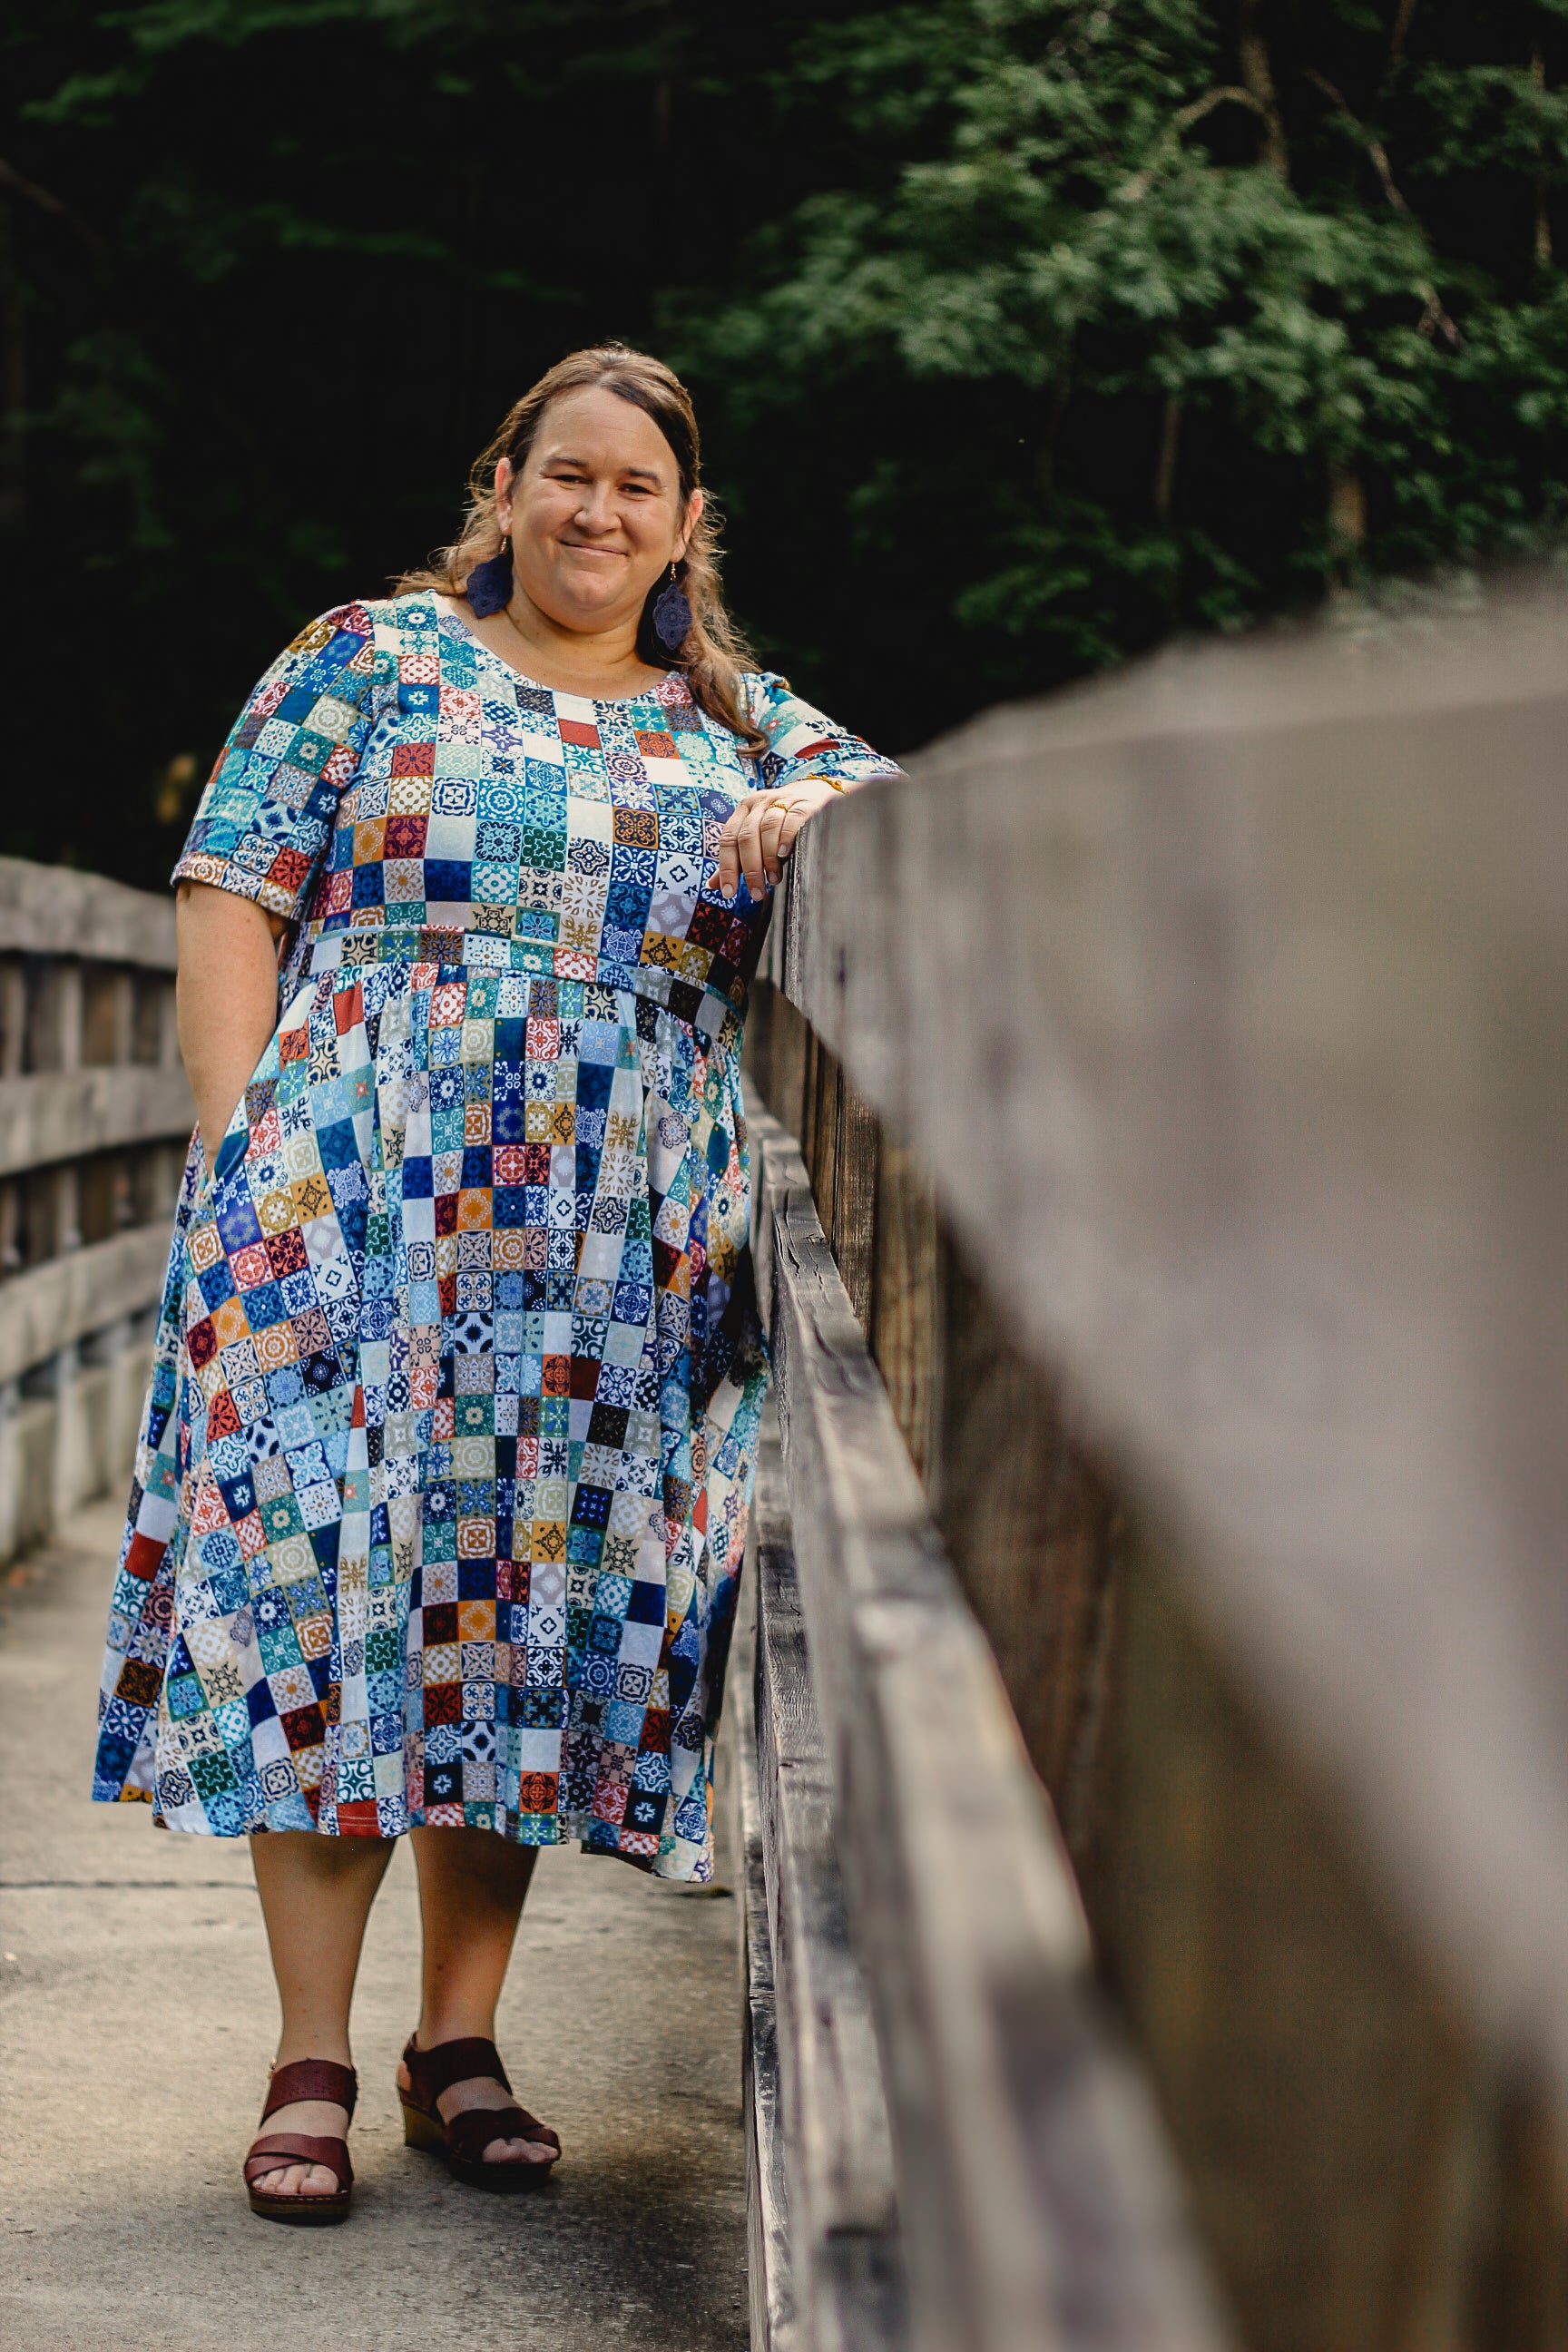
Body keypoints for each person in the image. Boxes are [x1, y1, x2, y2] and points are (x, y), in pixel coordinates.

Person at [91, 344, 900, 2220]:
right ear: (507, 488)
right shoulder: (369, 658)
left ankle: (458, 2042)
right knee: (325, 1606)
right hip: (353, 1203)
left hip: (605, 1253)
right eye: (568, 475)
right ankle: (308, 2056)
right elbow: (232, 886)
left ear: (688, 525)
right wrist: (237, 1171)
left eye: (638, 486)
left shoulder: (732, 721)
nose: (597, 511)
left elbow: (909, 810)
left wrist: (813, 819)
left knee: (508, 1624)